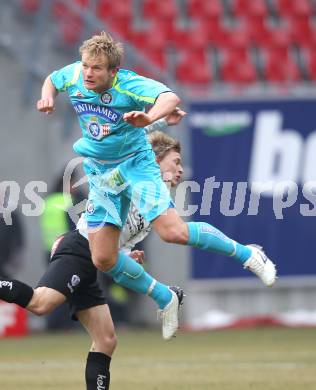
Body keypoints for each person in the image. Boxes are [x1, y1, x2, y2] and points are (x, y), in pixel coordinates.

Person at [37, 32, 276, 328]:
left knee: (172, 232)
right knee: (102, 259)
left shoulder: (128, 83)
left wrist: (151, 118)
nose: (88, 73)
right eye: (86, 65)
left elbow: (169, 97)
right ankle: (166, 297)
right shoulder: (74, 74)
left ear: (113, 71)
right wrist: (48, 95)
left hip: (135, 164)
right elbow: (52, 78)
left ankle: (249, 254)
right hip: (102, 173)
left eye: (96, 68)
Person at [0, 119, 186, 390]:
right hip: (78, 250)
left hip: (91, 259)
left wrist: (123, 253)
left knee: (106, 340)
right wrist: (157, 119)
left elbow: (115, 234)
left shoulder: (153, 198)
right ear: (155, 162)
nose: (180, 170)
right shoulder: (131, 180)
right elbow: (126, 149)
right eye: (176, 162)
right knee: (40, 304)